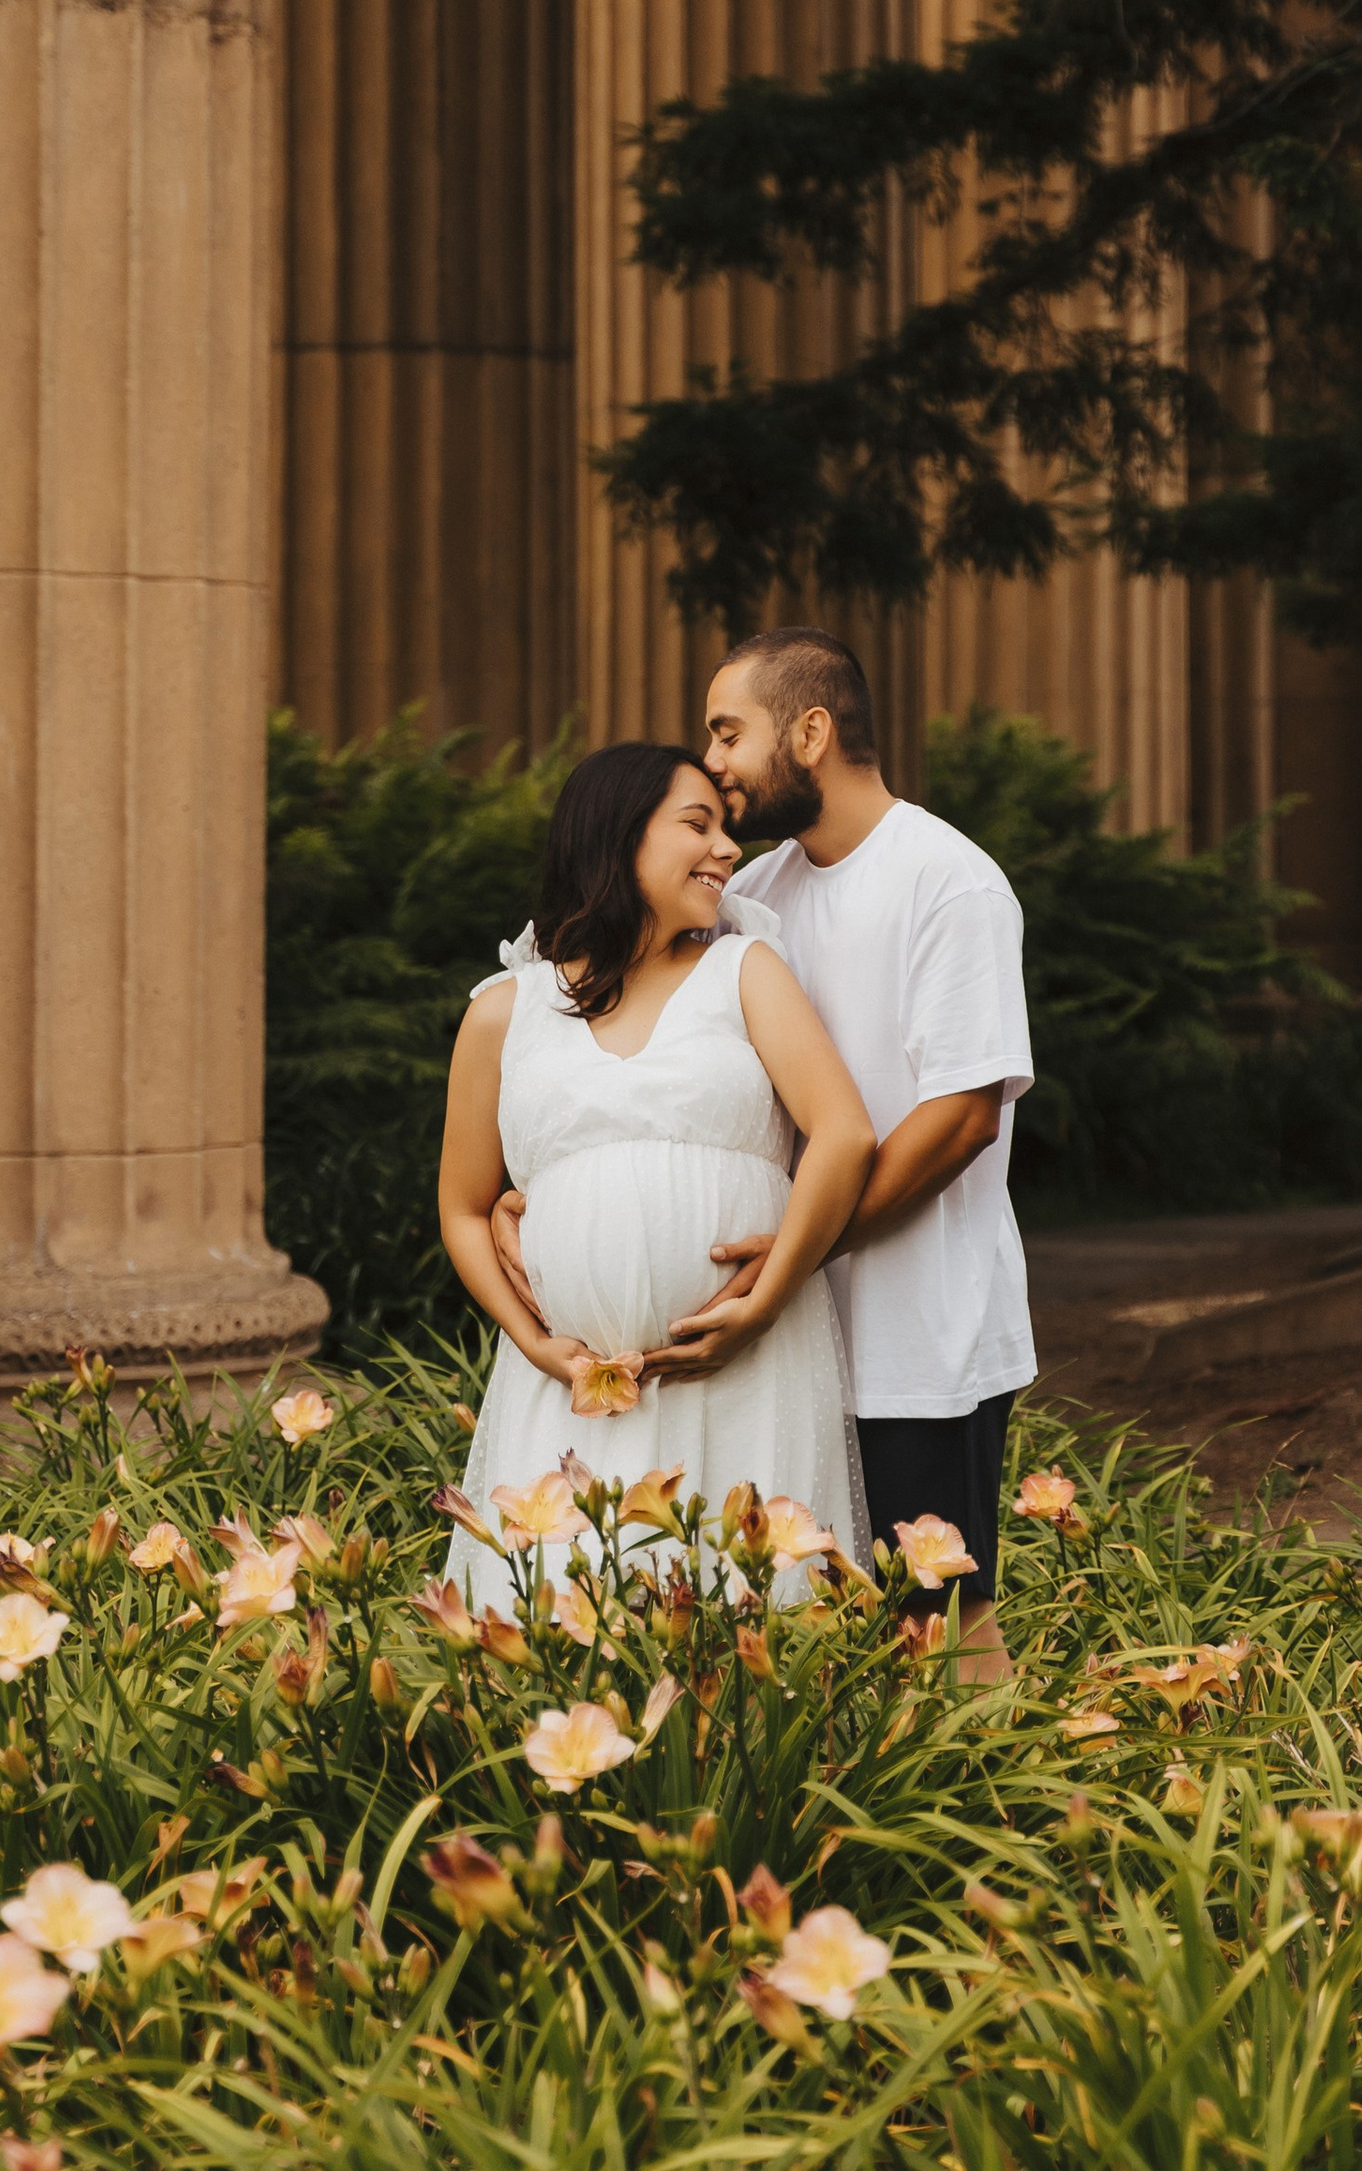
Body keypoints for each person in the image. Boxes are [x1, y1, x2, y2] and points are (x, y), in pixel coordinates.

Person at [437, 742, 873, 1609]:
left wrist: (766, 1298)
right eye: (697, 825)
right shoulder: (502, 1013)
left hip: (746, 1369)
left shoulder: (744, 972)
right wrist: (535, 1346)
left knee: (750, 1628)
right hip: (566, 1393)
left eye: (726, 828)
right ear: (617, 835)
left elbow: (844, 1135)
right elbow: (462, 1205)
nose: (727, 850)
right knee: (564, 1629)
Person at [704, 630, 1035, 1682]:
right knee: (814, 1613)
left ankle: (996, 1821)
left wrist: (805, 1242)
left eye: (727, 732)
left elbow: (961, 1116)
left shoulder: (950, 883)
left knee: (936, 1612)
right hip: (790, 1328)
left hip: (918, 1334)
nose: (712, 761)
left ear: (810, 730)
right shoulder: (759, 892)